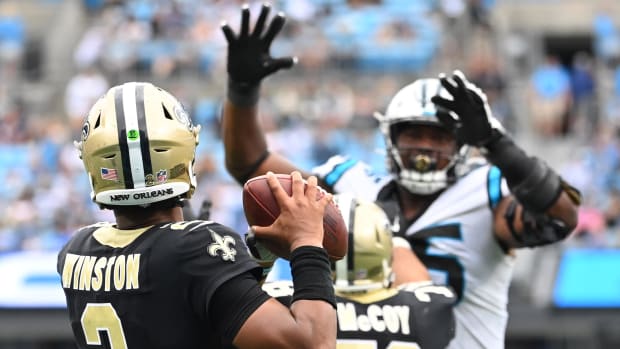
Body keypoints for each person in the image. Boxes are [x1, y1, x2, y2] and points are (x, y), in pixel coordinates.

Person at [219, 4, 582, 348]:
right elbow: (251, 167)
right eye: (413, 134)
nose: (424, 146)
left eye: (438, 136)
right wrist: (242, 90)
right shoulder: (349, 184)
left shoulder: (484, 192)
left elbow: (559, 218)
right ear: (391, 137)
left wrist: (495, 143)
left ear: (460, 144)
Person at [57, 82, 337, 349]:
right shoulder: (195, 247)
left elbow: (194, 307)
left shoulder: (74, 250)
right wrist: (307, 240)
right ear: (184, 154)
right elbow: (313, 342)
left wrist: (258, 263)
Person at [259, 194, 457, 349]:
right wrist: (397, 237)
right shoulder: (431, 307)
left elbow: (238, 310)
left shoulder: (285, 300)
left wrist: (261, 260)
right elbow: (417, 280)